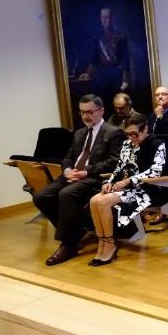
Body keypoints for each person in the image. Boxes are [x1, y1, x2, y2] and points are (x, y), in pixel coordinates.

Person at [33, 94, 125, 265]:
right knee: (41, 196)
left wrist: (86, 171)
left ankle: (68, 244)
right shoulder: (79, 133)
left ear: (101, 110)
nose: (85, 116)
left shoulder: (114, 132)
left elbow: (114, 162)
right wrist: (67, 170)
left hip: (95, 178)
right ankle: (75, 231)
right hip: (72, 175)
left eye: (90, 112)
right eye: (82, 112)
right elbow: (68, 157)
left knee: (66, 194)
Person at [86, 113, 167, 266]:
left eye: (134, 134)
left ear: (145, 130)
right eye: (128, 134)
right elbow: (119, 168)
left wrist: (128, 181)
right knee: (94, 200)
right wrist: (109, 182)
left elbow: (156, 171)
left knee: (103, 202)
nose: (131, 138)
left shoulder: (157, 143)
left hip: (146, 188)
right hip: (125, 187)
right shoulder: (127, 144)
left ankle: (109, 243)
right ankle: (102, 242)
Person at [78, 7, 129, 108]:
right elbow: (95, 58)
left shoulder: (121, 36)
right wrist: (88, 73)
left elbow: (125, 59)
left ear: (112, 18)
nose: (105, 20)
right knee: (102, 104)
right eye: (103, 17)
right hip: (101, 75)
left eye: (107, 17)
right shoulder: (98, 37)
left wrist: (125, 79)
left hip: (116, 75)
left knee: (116, 104)